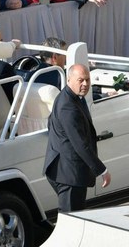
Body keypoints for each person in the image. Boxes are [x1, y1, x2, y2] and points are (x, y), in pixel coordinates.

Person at [43, 64, 111, 212]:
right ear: (69, 79)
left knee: (76, 219)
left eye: (87, 80)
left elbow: (50, 122)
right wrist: (102, 170)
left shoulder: (69, 97)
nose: (85, 84)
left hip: (67, 171)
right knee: (72, 222)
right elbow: (80, 144)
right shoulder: (68, 106)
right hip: (69, 175)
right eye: (81, 80)